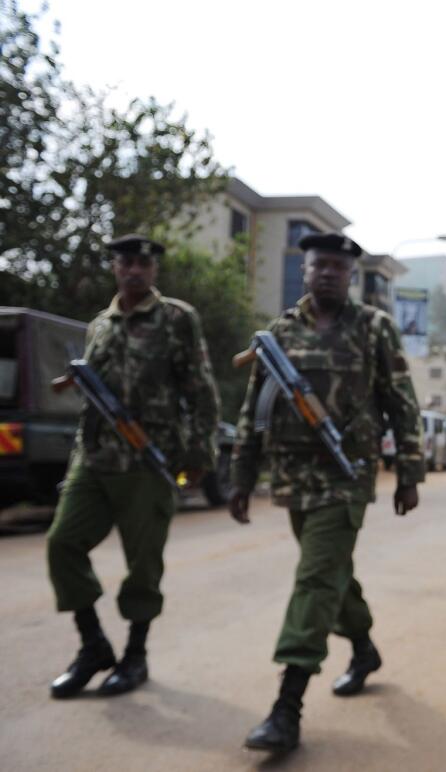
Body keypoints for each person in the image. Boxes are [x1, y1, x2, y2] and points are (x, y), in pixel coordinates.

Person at [228, 232, 424, 752]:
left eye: (339, 267)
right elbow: (256, 409)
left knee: (314, 578)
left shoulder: (373, 327)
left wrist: (409, 471)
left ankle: (286, 708)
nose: (329, 274)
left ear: (351, 275)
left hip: (346, 476)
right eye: (320, 266)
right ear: (306, 270)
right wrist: (242, 475)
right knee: (333, 573)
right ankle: (363, 648)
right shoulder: (280, 330)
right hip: (292, 477)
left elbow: (401, 401)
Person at [46, 234, 219, 699]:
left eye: (143, 263)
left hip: (149, 459)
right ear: (115, 268)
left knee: (143, 565)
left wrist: (200, 454)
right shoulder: (99, 324)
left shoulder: (177, 319)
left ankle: (135, 656)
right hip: (95, 457)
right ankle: (93, 646)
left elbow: (200, 388)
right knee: (62, 544)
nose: (134, 270)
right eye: (125, 263)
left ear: (154, 269)